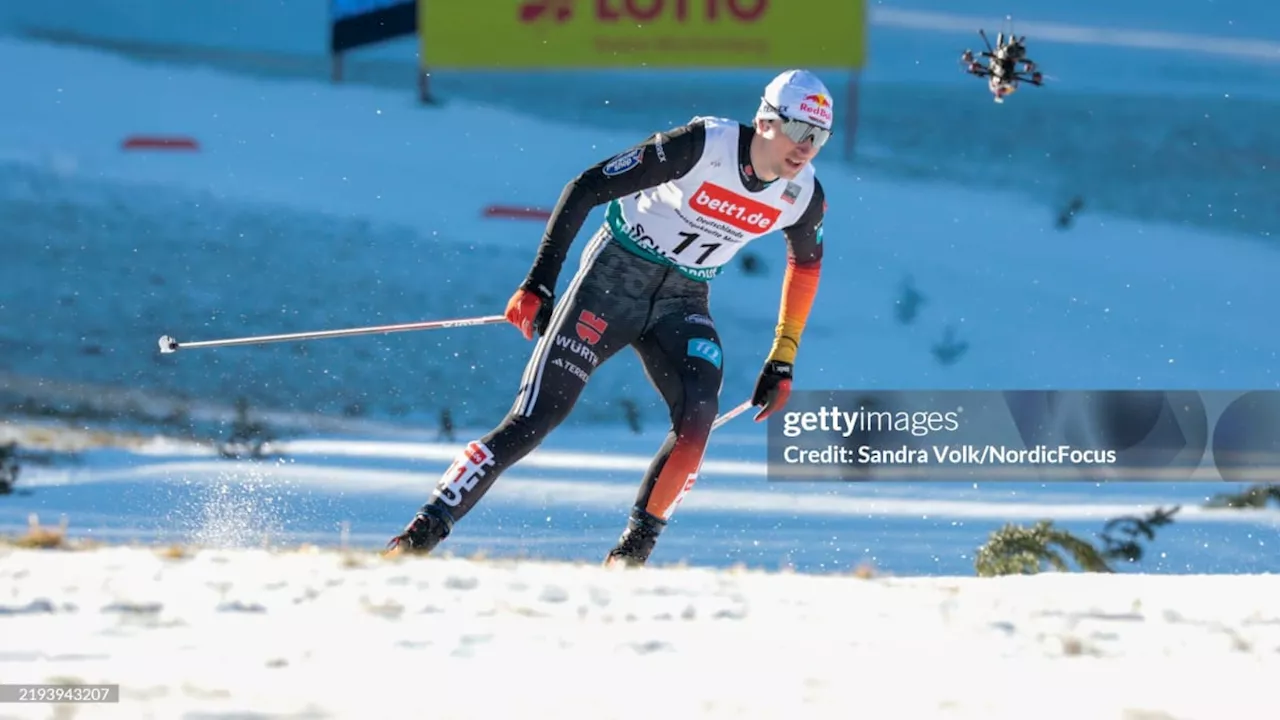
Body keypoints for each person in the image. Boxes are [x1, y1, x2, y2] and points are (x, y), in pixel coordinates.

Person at [386, 69, 832, 567]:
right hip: (612, 282)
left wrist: (783, 357)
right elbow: (586, 187)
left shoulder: (804, 194)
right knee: (536, 418)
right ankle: (423, 530)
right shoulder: (702, 145)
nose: (807, 148)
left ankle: (631, 556)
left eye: (820, 138)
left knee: (698, 419)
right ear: (766, 121)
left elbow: (806, 266)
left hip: (683, 302)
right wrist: (539, 281)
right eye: (800, 132)